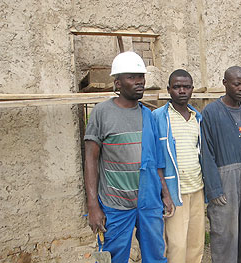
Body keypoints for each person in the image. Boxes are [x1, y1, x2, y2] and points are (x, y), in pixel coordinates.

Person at [83, 51, 174, 263]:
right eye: (132, 77)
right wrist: (93, 205)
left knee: (155, 256)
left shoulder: (148, 115)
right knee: (114, 257)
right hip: (115, 205)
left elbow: (156, 162)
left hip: (148, 202)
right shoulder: (102, 112)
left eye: (141, 76)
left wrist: (165, 194)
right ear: (117, 83)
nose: (139, 82)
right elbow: (90, 160)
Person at [201, 66, 241, 263]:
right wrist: (214, 189)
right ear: (225, 83)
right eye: (237, 83)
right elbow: (206, 153)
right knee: (224, 231)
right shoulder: (211, 112)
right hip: (223, 179)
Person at [152, 69, 205, 263]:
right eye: (177, 87)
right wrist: (165, 192)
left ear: (192, 89)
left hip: (197, 189)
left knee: (196, 243)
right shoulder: (158, 117)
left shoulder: (197, 118)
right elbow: (154, 158)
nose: (182, 91)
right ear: (169, 90)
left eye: (186, 87)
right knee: (176, 245)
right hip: (175, 192)